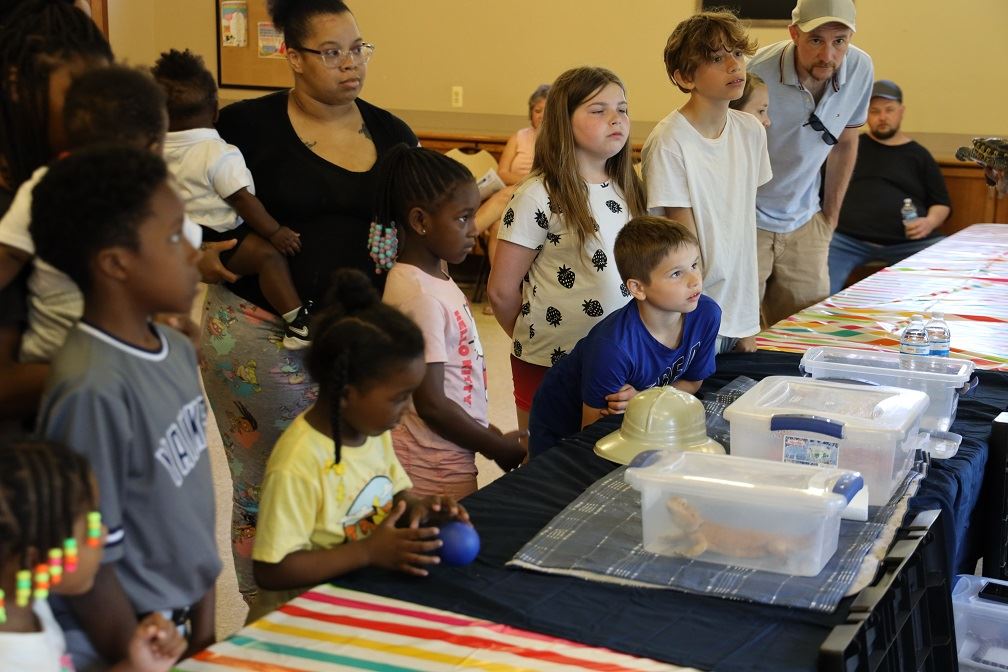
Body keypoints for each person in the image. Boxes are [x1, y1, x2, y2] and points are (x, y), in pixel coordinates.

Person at [201, 0, 420, 603]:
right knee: (274, 476)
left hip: (353, 338)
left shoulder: (394, 133)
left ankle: (342, 601)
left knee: (351, 470)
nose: (350, 64)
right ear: (291, 56)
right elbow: (199, 215)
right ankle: (270, 607)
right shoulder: (244, 126)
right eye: (331, 52)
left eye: (357, 49)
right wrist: (223, 254)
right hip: (257, 331)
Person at [32, 146, 220, 671]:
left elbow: (192, 498)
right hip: (127, 644)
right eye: (172, 235)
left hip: (181, 626)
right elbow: (87, 564)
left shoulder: (178, 348)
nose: (191, 251)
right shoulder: (92, 388)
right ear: (116, 263)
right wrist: (135, 657)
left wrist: (203, 624)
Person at [250, 268, 470, 620]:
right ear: (347, 395)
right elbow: (272, 570)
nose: (407, 408)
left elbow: (392, 494)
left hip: (353, 604)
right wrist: (367, 552)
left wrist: (420, 508)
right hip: (301, 626)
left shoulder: (372, 430)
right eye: (399, 398)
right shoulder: (297, 463)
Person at [487, 66, 646, 442]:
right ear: (564, 119)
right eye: (598, 110)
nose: (616, 119)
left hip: (619, 356)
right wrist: (538, 337)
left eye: (622, 109)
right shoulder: (537, 194)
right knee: (545, 460)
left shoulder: (631, 188)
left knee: (601, 456)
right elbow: (501, 290)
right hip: (547, 359)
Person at [378, 145, 526, 497]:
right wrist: (496, 447)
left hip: (446, 455)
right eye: (462, 218)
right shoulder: (420, 296)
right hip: (431, 469)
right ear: (420, 222)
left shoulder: (434, 281)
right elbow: (432, 404)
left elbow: (453, 389)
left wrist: (490, 434)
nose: (474, 229)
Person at [0, 65, 169, 366]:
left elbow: (9, 256)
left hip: (52, 350)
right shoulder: (147, 197)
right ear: (152, 146)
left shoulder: (42, 184)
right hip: (121, 350)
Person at [153, 49, 313, 349]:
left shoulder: (154, 150)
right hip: (222, 235)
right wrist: (275, 232)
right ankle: (298, 322)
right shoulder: (218, 152)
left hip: (183, 238)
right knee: (269, 257)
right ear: (215, 110)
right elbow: (242, 200)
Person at [0, 0, 112, 429]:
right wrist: (136, 361)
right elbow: (6, 386)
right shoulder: (16, 211)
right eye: (83, 95)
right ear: (16, 85)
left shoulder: (65, 184)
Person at [528, 216, 720, 456]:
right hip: (562, 417)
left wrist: (643, 400)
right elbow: (591, 434)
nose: (695, 280)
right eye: (676, 274)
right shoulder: (612, 347)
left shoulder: (707, 314)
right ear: (638, 288)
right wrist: (647, 404)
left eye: (694, 265)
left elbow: (693, 383)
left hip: (632, 416)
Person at [642, 10, 771, 354]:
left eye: (739, 54)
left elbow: (743, 224)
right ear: (685, 77)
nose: (734, 65)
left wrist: (749, 316)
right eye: (717, 58)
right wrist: (695, 315)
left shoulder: (751, 131)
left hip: (741, 305)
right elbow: (680, 241)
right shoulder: (670, 140)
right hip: (694, 309)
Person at [0, 439, 187, 672]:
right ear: (35, 560)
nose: (103, 534)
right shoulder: (11, 660)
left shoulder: (24, 605)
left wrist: (136, 665)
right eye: (91, 526)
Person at [747, 0, 873, 326]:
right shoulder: (754, 72)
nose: (828, 55)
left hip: (806, 221)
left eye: (839, 41)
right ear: (794, 33)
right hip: (747, 221)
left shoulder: (860, 69)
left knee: (806, 332)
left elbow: (845, 143)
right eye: (816, 40)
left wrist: (829, 218)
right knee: (740, 332)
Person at [827, 79, 951, 294]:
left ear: (901, 112)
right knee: (817, 288)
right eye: (874, 111)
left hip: (908, 243)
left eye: (889, 110)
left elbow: (942, 203)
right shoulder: (850, 146)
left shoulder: (918, 155)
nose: (882, 117)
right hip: (846, 240)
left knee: (944, 273)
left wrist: (929, 222)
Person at [474, 83, 550, 311]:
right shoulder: (519, 137)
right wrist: (524, 179)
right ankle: (502, 291)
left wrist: (528, 181)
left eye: (547, 110)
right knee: (498, 227)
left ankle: (466, 232)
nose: (541, 115)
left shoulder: (559, 138)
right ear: (531, 114)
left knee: (508, 194)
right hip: (515, 193)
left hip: (540, 198)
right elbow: (502, 172)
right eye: (537, 110)